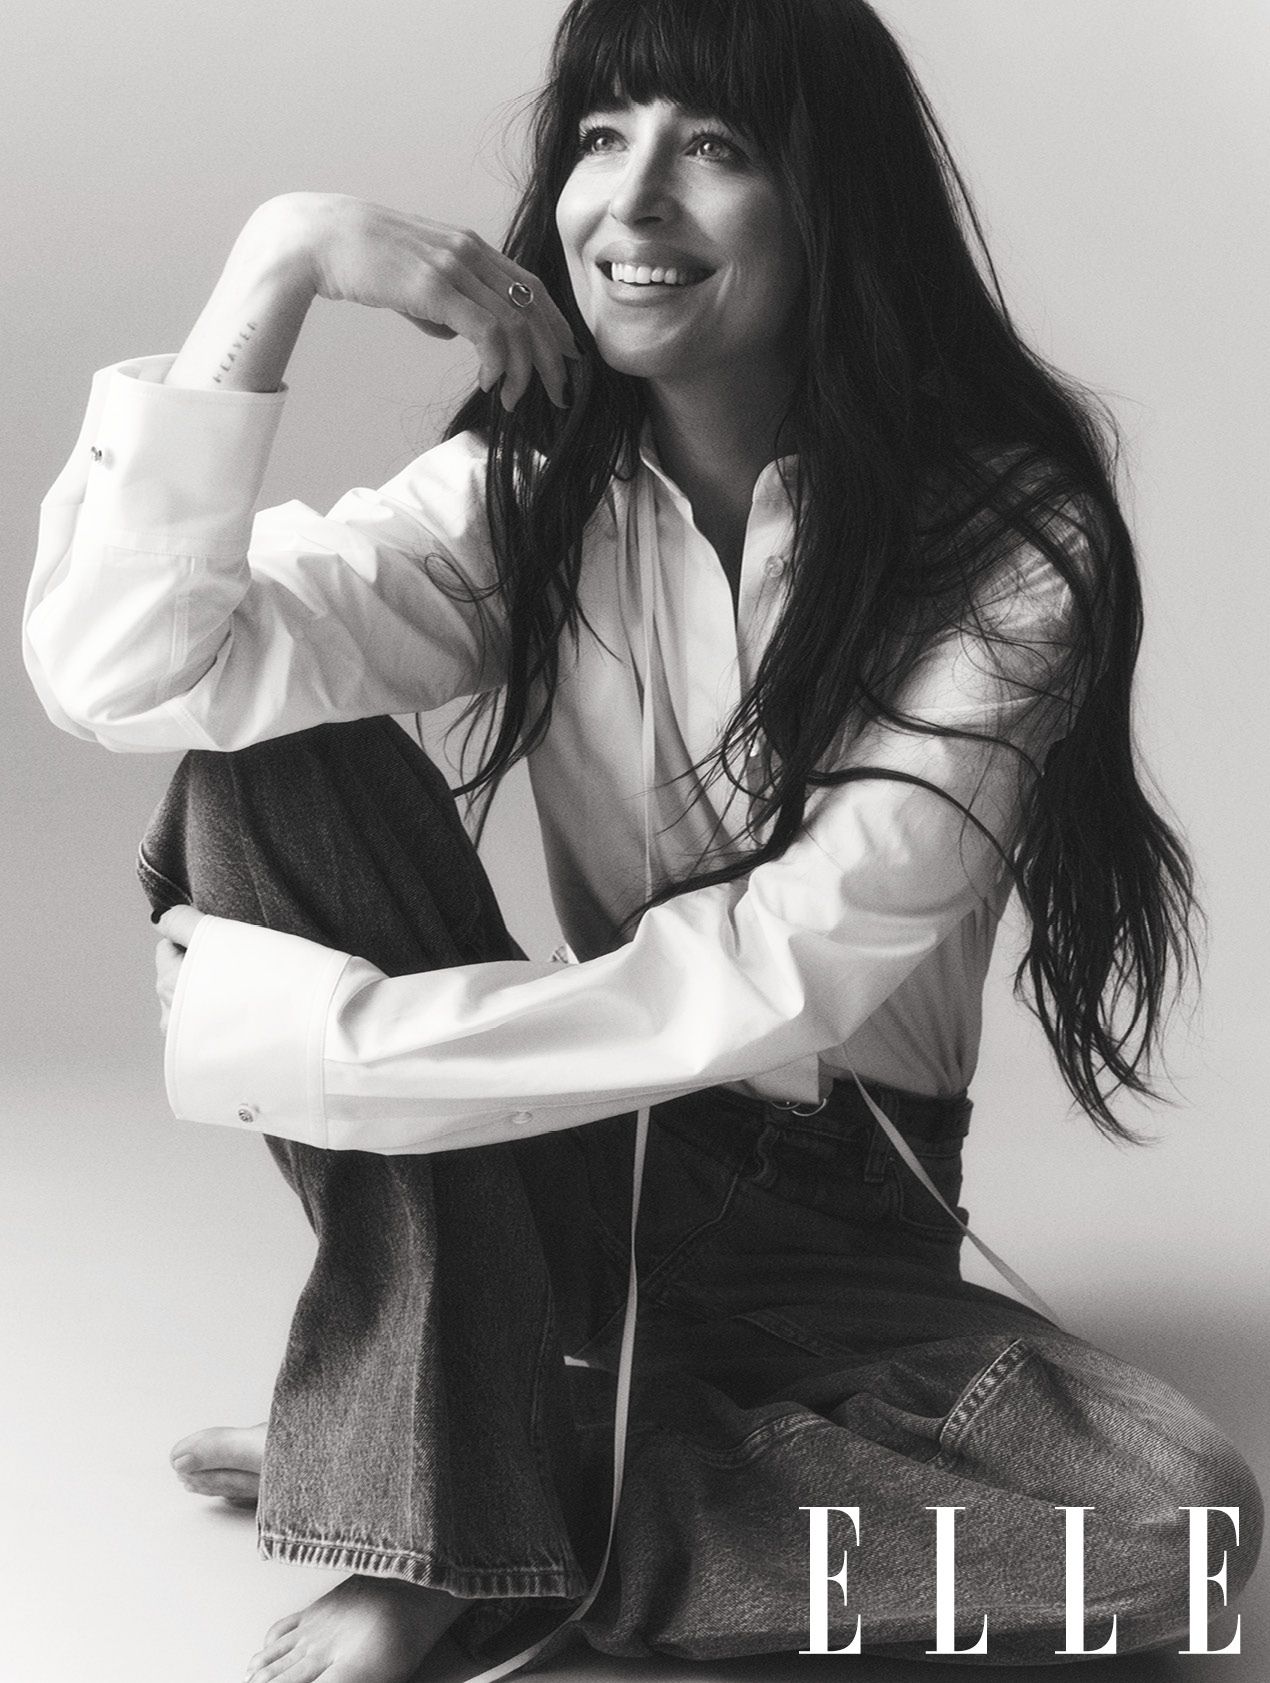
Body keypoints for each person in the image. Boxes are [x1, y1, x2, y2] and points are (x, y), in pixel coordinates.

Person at [23, 0, 1263, 1677]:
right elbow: (128, 673)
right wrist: (278, 263)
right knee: (267, 769)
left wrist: (334, 1044)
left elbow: (794, 963)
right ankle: (443, 1466)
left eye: (717, 145)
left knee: (1175, 1535)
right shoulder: (525, 496)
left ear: (833, 204)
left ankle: (454, 1471)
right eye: (603, 136)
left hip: (842, 1218)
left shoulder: (1004, 541)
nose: (633, 197)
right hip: (558, 1150)